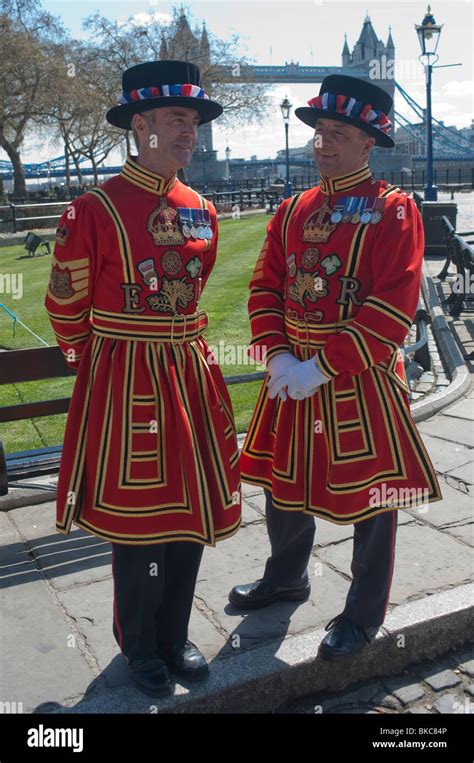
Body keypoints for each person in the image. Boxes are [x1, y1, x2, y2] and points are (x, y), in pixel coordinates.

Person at [44, 60, 241, 696]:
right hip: (126, 378)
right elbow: (64, 306)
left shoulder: (203, 209)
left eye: (194, 121)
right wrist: (97, 368)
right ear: (141, 125)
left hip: (188, 372)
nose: (190, 133)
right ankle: (140, 644)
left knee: (190, 509)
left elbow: (191, 291)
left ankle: (175, 631)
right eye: (177, 120)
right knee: (140, 523)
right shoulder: (92, 208)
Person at [231, 75, 442, 661]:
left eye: (338, 133)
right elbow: (265, 285)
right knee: (283, 484)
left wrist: (320, 366)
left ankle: (363, 613)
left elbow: (391, 305)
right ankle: (287, 577)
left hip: (359, 378)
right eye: (320, 131)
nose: (322, 144)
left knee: (375, 500)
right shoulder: (294, 208)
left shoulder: (393, 211)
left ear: (368, 143)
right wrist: (275, 353)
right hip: (291, 367)